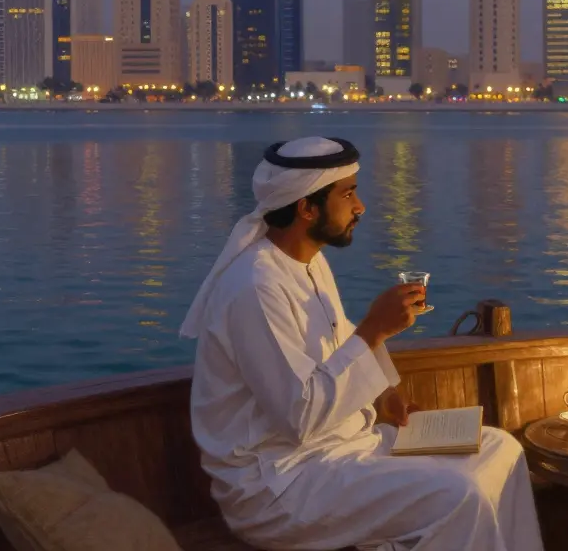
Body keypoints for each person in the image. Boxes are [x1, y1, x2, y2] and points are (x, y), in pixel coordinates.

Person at [181, 136, 544, 551]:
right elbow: (298, 418)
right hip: (281, 483)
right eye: (349, 193)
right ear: (306, 207)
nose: (361, 206)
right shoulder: (253, 287)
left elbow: (336, 343)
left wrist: (383, 396)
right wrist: (375, 329)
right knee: (459, 496)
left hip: (344, 447)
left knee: (502, 449)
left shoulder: (310, 262)